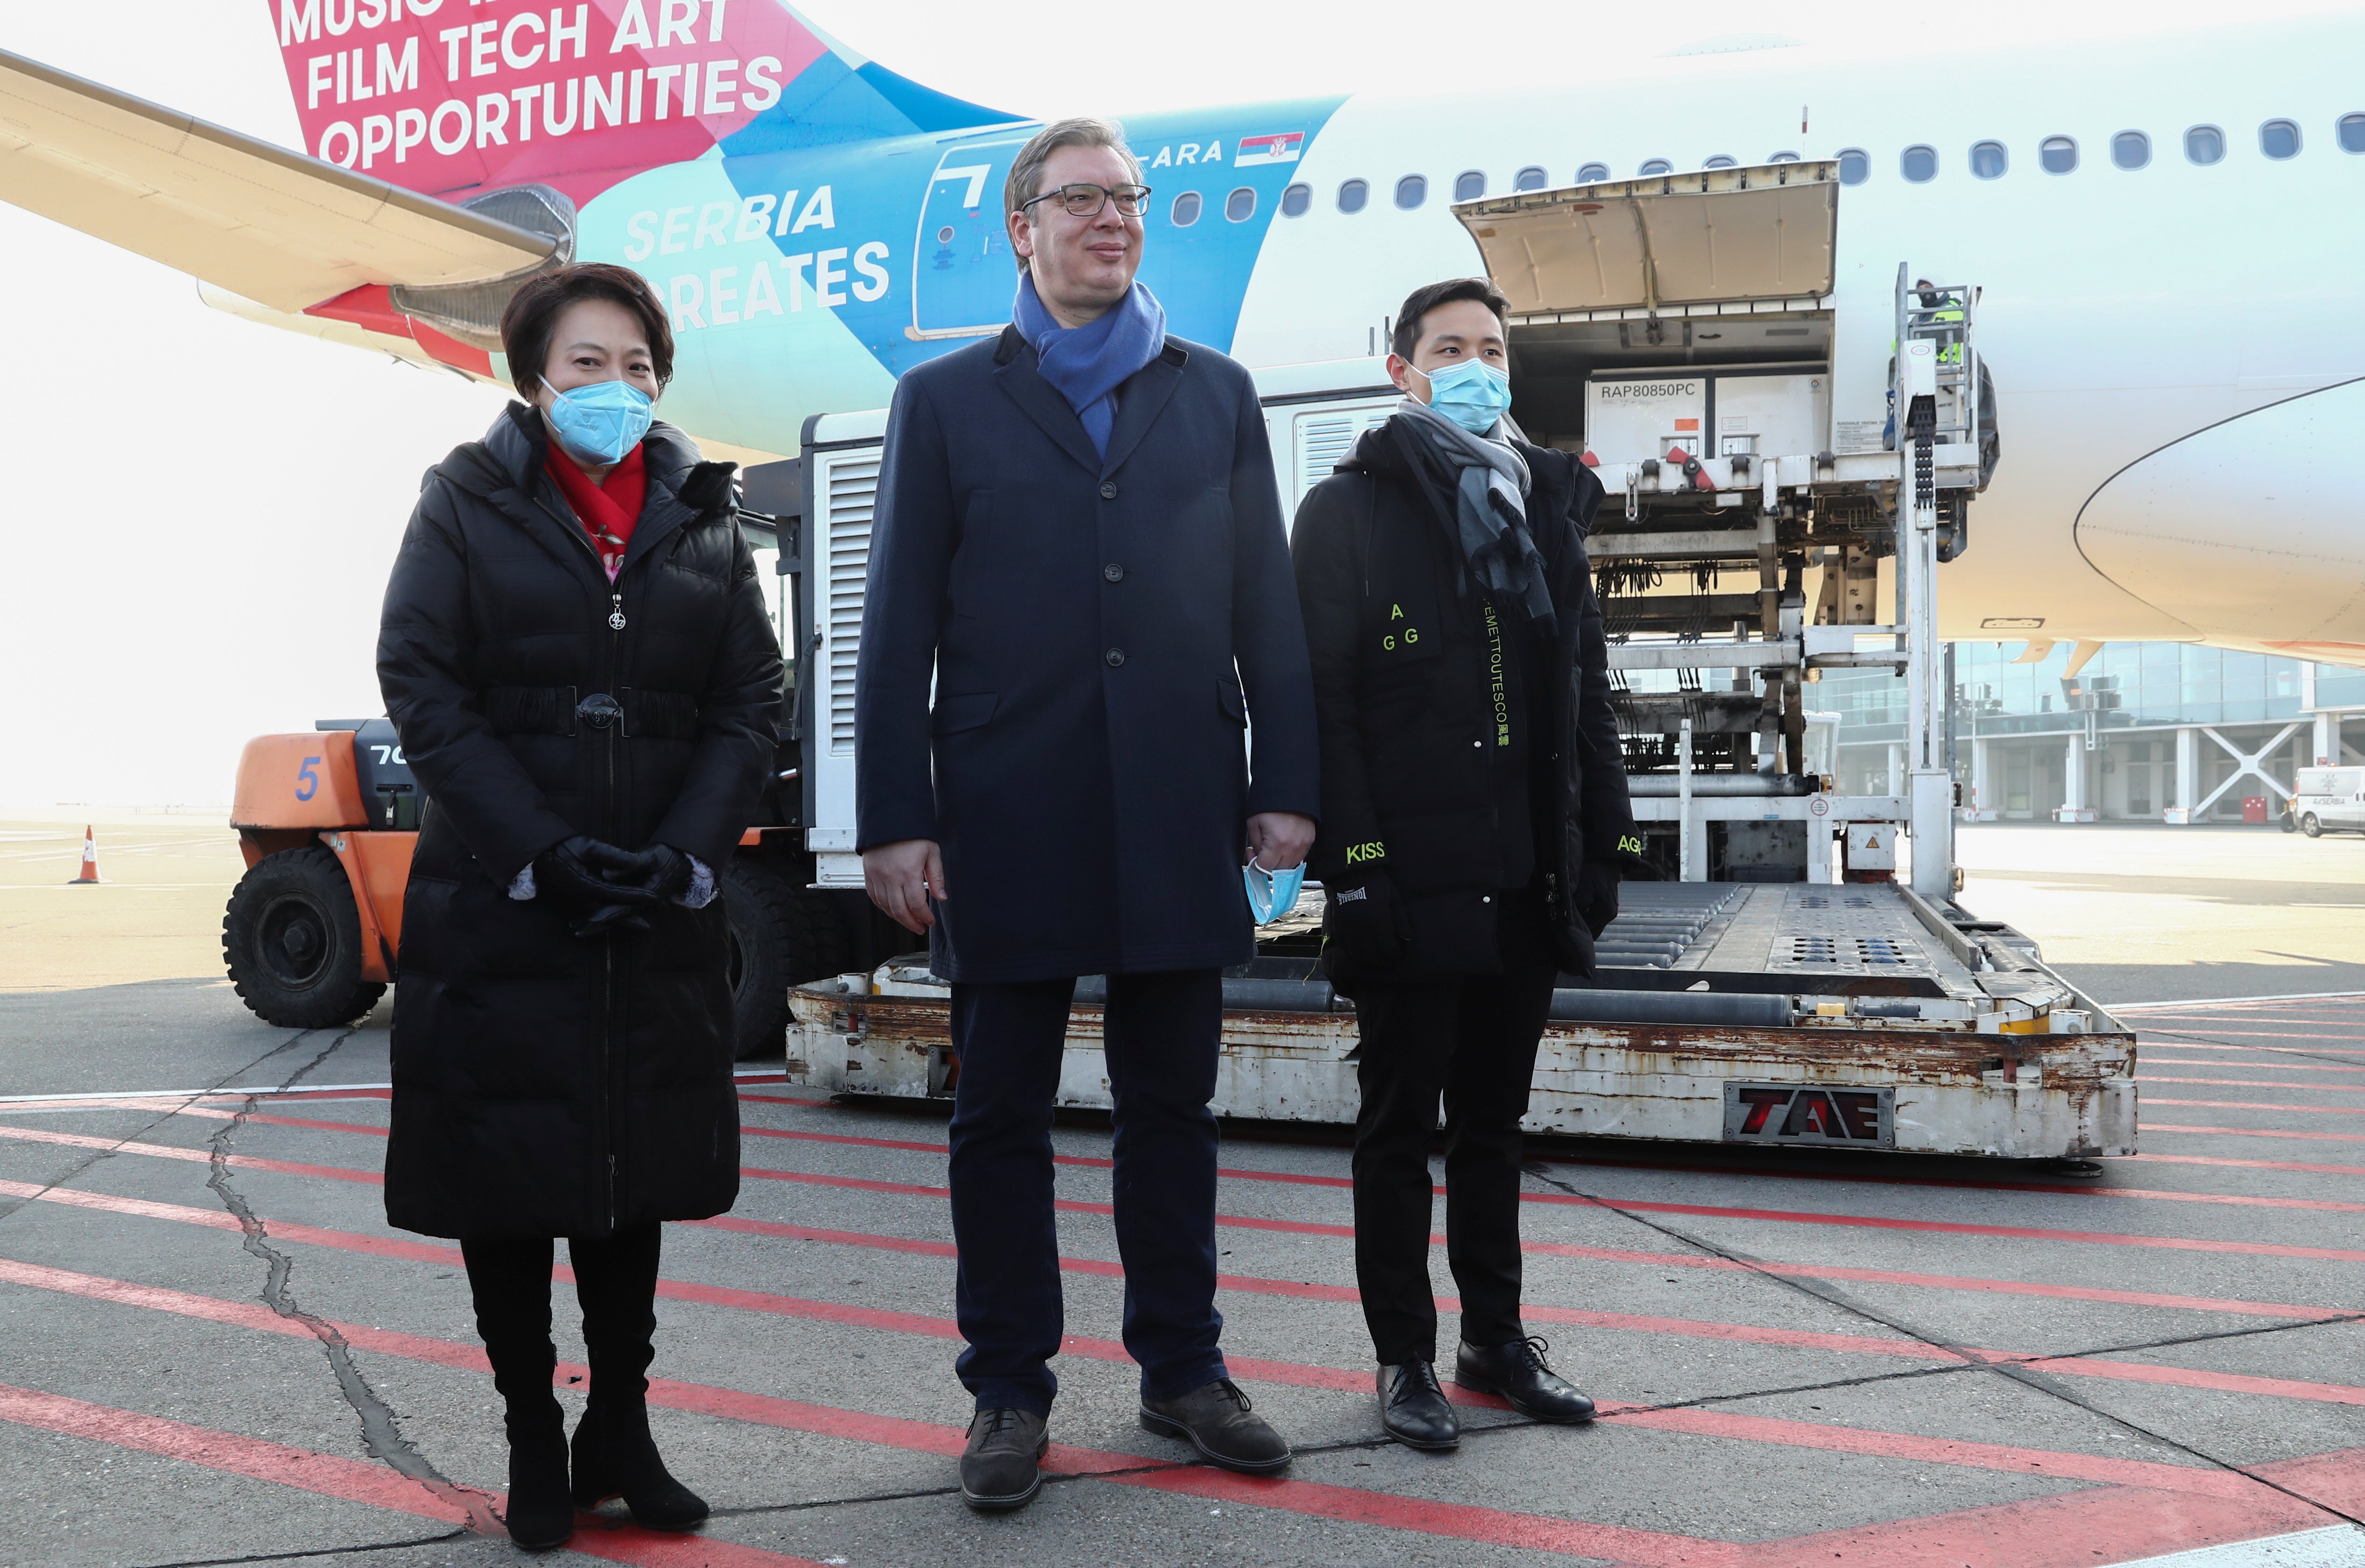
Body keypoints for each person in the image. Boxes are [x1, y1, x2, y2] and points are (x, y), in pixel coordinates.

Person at [854, 117, 1321, 1511]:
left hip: (1180, 793)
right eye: (1081, 200)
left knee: (1168, 1104)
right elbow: (895, 628)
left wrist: (1286, 785)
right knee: (998, 1112)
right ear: (1022, 228)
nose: (1111, 219)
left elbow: (1266, 607)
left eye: (1128, 199)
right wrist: (894, 815)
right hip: (1006, 803)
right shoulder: (944, 403)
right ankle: (1007, 1390)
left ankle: (1183, 1369)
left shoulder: (1216, 393)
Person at [376, 263, 783, 1551]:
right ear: (533, 378)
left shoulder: (705, 519)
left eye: (641, 367)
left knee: (628, 1170)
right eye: (590, 365)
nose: (620, 390)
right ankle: (529, 1434)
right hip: (506, 906)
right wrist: (541, 852)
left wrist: (679, 855)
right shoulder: (464, 503)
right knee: (510, 1177)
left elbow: (749, 705)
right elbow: (421, 679)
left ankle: (621, 1426)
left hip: (651, 908)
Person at [1290, 277, 1640, 1452]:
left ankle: (1495, 1339)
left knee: (1493, 1129)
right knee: (1396, 1133)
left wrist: (1599, 840)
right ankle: (1404, 1360)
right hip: (1410, 878)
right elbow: (1324, 706)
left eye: (1491, 348)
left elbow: (1585, 684)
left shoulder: (1545, 501)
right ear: (1403, 369)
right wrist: (1359, 867)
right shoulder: (1349, 513)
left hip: (1524, 877)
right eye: (1450, 347)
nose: (1475, 363)